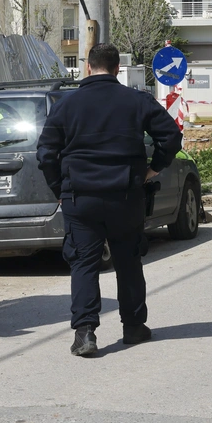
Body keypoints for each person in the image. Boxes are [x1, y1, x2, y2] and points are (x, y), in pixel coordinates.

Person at [36, 42, 182, 357]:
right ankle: (134, 327)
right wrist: (153, 168)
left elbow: (46, 153)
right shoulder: (136, 100)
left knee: (84, 263)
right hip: (125, 196)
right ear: (117, 69)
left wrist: (59, 189)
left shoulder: (66, 105)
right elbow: (171, 136)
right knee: (128, 260)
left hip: (80, 198)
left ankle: (85, 333)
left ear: (88, 67)